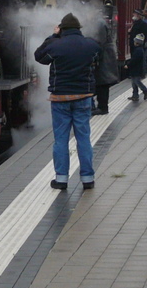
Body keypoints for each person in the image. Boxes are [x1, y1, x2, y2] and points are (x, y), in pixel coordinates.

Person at [34, 12, 102, 191]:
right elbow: (99, 58)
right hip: (83, 97)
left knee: (61, 140)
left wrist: (53, 36)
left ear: (62, 29)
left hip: (60, 98)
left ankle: (62, 179)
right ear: (79, 29)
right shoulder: (90, 45)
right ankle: (88, 178)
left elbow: (39, 56)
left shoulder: (55, 45)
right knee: (84, 138)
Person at [87, 7, 119, 115]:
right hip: (105, 57)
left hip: (104, 58)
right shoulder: (99, 22)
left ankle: (103, 107)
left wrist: (94, 57)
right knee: (101, 83)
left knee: (102, 83)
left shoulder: (99, 24)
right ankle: (101, 105)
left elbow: (99, 42)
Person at [126, 32, 147, 102]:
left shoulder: (138, 50)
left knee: (137, 82)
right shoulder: (139, 49)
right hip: (136, 69)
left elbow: (134, 60)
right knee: (134, 83)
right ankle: (135, 95)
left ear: (137, 42)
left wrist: (128, 65)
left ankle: (145, 90)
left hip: (137, 69)